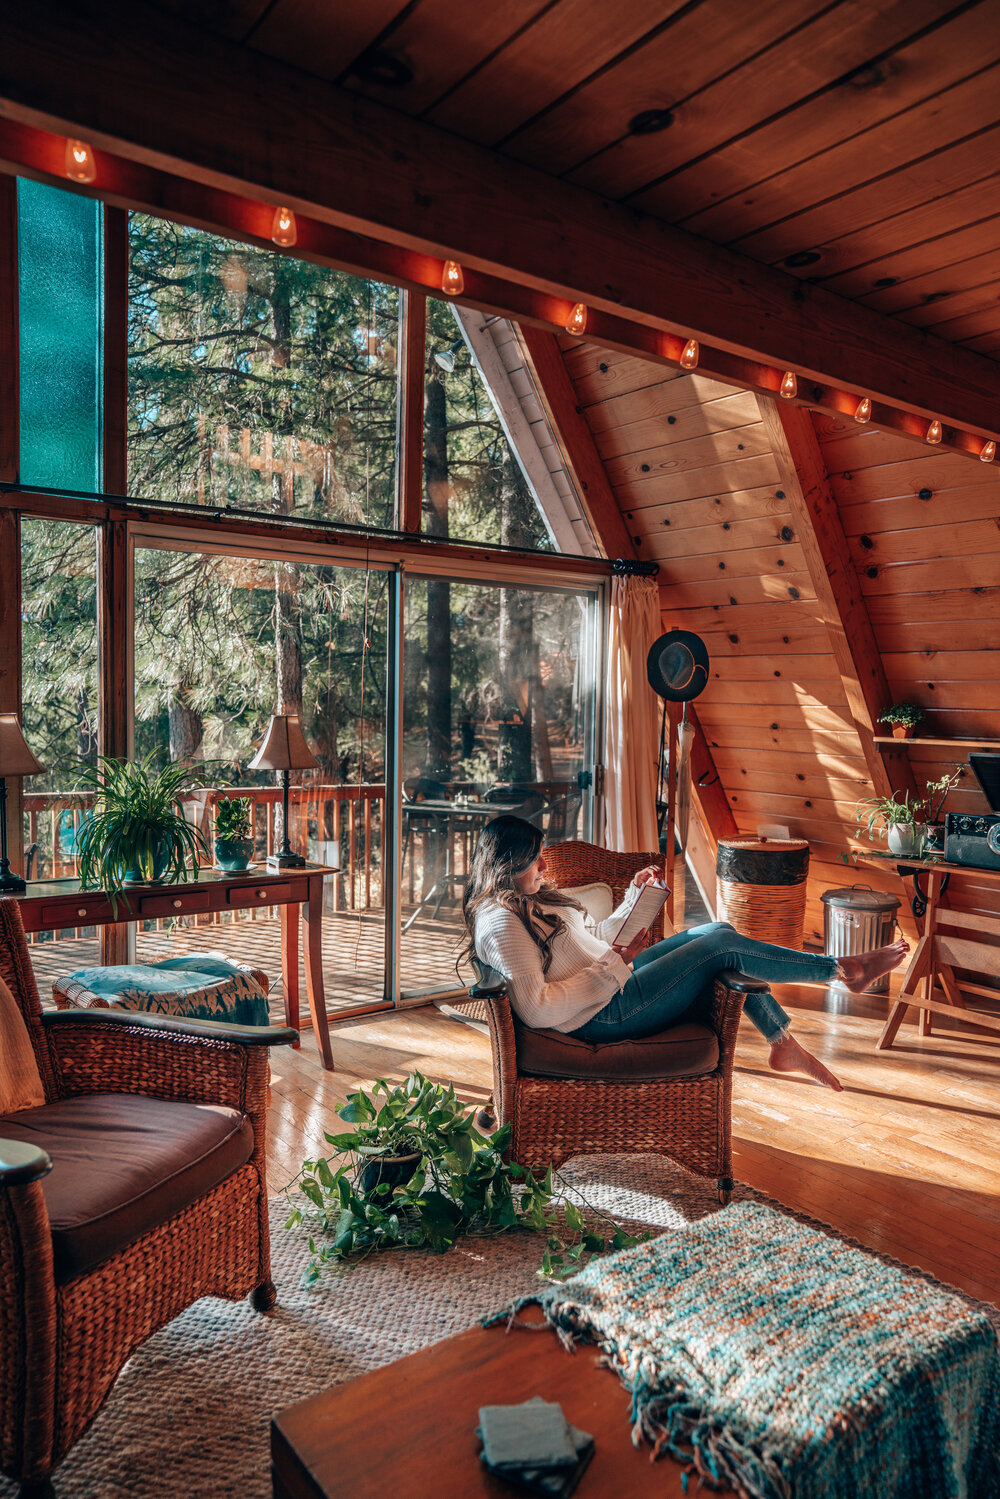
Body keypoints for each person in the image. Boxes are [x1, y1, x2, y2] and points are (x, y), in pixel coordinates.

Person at [462, 816, 909, 1093]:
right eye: (535, 860)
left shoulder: (529, 900)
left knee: (720, 929)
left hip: (612, 985)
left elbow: (592, 938)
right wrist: (615, 966)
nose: (544, 866)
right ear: (508, 865)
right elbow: (536, 1008)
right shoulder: (501, 922)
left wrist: (633, 899)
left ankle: (783, 1043)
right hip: (599, 1014)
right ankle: (840, 970)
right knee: (721, 947)